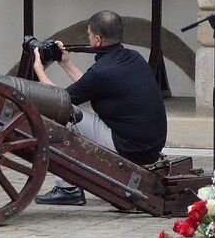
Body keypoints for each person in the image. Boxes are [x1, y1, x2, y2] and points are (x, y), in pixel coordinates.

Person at [32, 10, 167, 206]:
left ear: (97, 40)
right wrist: (66, 63)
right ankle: (68, 188)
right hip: (150, 146)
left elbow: (57, 102)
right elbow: (90, 85)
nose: (88, 39)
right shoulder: (133, 58)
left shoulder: (102, 72)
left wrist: (38, 69)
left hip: (130, 147)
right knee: (68, 110)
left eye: (88, 35)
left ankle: (67, 189)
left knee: (63, 116)